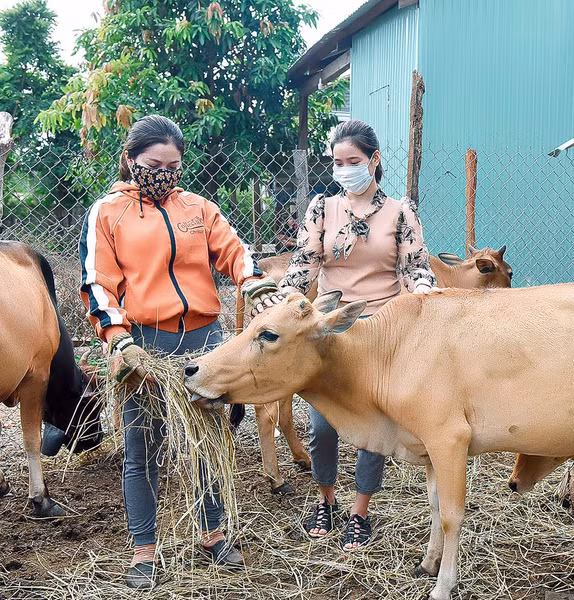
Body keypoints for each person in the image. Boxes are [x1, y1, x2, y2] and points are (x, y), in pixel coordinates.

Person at [79, 115, 279, 589]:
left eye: (174, 165)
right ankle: (143, 550)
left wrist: (253, 284)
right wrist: (118, 339)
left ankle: (213, 534)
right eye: (154, 164)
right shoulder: (107, 213)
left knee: (211, 444)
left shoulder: (199, 208)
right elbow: (96, 284)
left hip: (205, 340)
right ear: (131, 160)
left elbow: (234, 251)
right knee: (141, 450)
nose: (164, 173)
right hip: (142, 345)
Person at [248, 119, 437, 550]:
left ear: (373, 161)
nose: (345, 168)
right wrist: (278, 304)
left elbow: (415, 268)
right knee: (323, 424)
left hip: (382, 331)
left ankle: (359, 511)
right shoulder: (321, 208)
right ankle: (325, 500)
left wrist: (424, 295)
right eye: (337, 162)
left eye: (353, 161)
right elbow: (302, 266)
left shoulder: (400, 211)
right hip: (331, 327)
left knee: (373, 424)